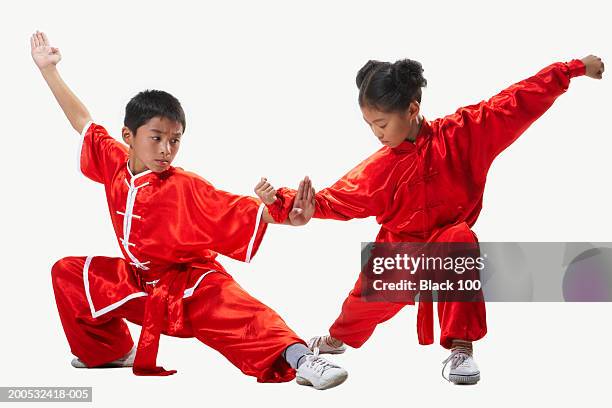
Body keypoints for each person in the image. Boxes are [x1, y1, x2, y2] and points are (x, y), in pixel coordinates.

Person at [257, 54, 605, 384]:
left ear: (412, 109)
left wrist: (572, 69)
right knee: (360, 304)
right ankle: (336, 339)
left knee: (459, 240)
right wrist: (287, 204)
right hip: (399, 249)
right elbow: (336, 198)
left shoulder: (464, 133)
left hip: (446, 238)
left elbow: (516, 100)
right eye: (370, 125)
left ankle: (461, 349)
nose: (376, 133)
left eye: (381, 123)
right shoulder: (379, 168)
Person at [31, 30, 346, 390]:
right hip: (139, 283)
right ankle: (109, 352)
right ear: (128, 136)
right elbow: (81, 121)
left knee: (245, 312)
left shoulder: (184, 185)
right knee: (70, 272)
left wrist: (290, 217)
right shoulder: (113, 160)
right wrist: (49, 71)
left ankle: (303, 359)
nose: (167, 149)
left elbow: (241, 209)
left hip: (191, 285)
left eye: (175, 139)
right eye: (157, 137)